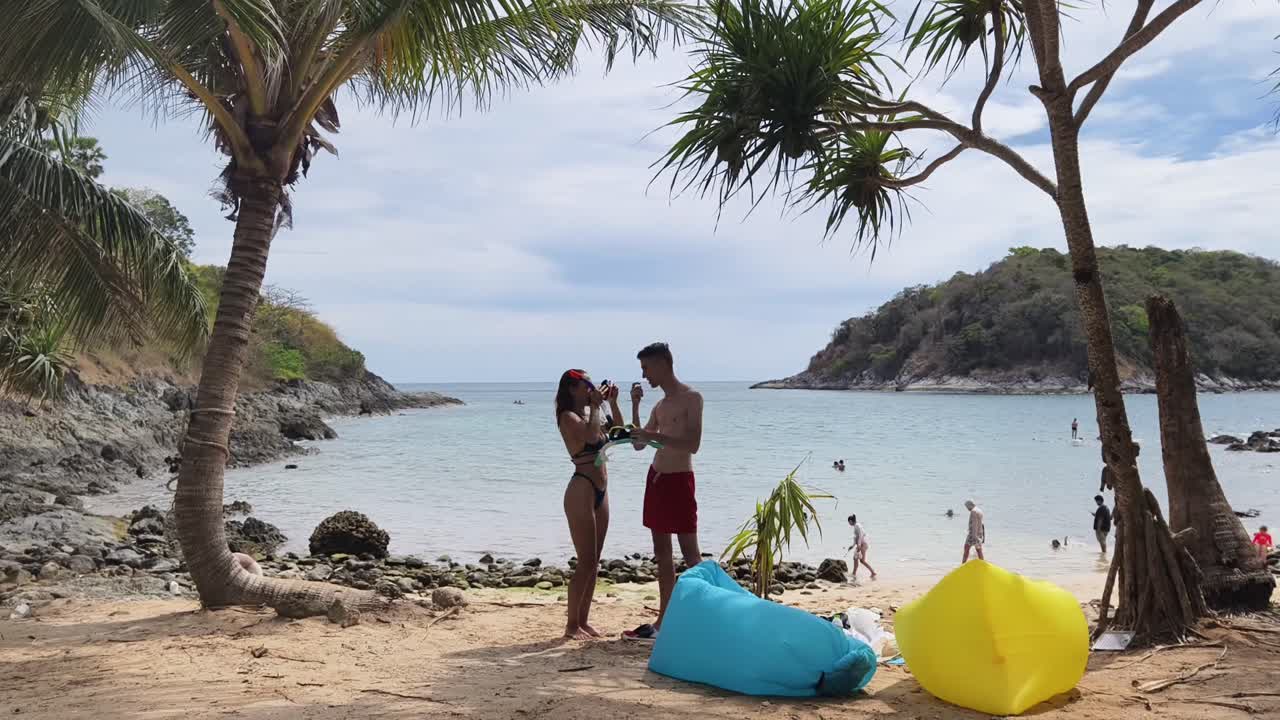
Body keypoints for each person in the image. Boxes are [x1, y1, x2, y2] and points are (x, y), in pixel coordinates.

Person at [622, 343, 703, 643]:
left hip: (680, 480)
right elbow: (639, 444)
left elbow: (692, 443)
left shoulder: (691, 398)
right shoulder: (659, 406)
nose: (644, 375)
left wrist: (652, 435)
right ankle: (663, 621)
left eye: (646, 368)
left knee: (691, 555)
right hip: (657, 479)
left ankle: (708, 616)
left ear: (663, 364)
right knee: (662, 555)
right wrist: (634, 405)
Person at [555, 369, 625, 640]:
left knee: (594, 561)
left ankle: (583, 621)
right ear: (573, 389)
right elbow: (593, 438)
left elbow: (618, 433)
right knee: (584, 561)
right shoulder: (568, 417)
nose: (591, 390)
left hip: (601, 489)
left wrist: (614, 403)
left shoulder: (589, 414)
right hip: (581, 487)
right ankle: (571, 625)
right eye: (587, 386)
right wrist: (596, 406)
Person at [847, 514, 877, 581]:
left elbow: (861, 535)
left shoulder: (858, 526)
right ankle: (855, 573)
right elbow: (856, 538)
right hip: (861, 545)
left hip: (863, 545)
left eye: (849, 522)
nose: (849, 523)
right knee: (858, 559)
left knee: (859, 559)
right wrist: (852, 546)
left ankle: (872, 572)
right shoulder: (855, 526)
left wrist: (859, 545)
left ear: (851, 521)